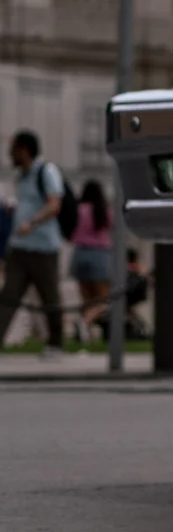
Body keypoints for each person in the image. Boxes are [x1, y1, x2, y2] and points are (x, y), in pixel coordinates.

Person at [2, 131, 68, 360]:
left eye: (13, 150)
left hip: (44, 248)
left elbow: (54, 205)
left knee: (50, 298)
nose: (10, 155)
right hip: (19, 247)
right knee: (8, 297)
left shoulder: (46, 171)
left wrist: (32, 222)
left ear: (24, 150)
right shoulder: (22, 176)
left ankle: (56, 344)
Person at [65, 182, 116, 345]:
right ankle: (84, 323)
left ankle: (84, 331)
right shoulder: (104, 211)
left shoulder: (79, 210)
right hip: (99, 254)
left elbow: (70, 229)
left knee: (86, 299)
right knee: (102, 299)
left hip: (80, 253)